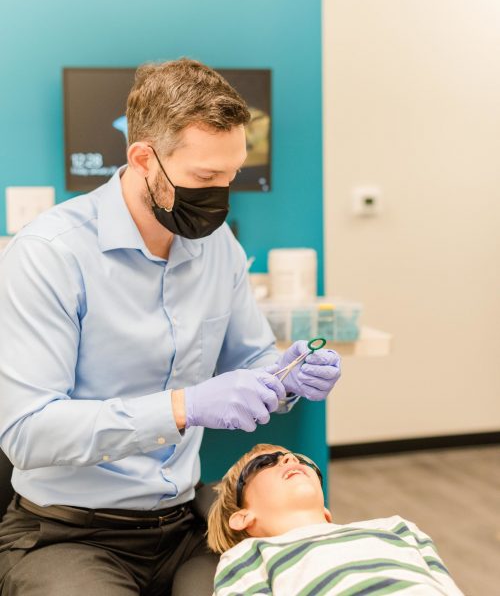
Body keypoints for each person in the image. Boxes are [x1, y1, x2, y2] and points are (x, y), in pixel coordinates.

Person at [0, 59, 341, 596]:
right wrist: (184, 407)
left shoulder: (218, 247)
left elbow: (250, 363)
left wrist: (287, 377)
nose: (221, 197)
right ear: (143, 158)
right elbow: (28, 433)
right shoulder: (49, 255)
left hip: (185, 523)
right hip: (69, 532)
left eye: (232, 178)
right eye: (205, 179)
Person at [207, 444, 464, 595]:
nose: (289, 459)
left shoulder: (397, 527)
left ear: (327, 513)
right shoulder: (248, 555)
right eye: (263, 463)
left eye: (301, 461)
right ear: (243, 518)